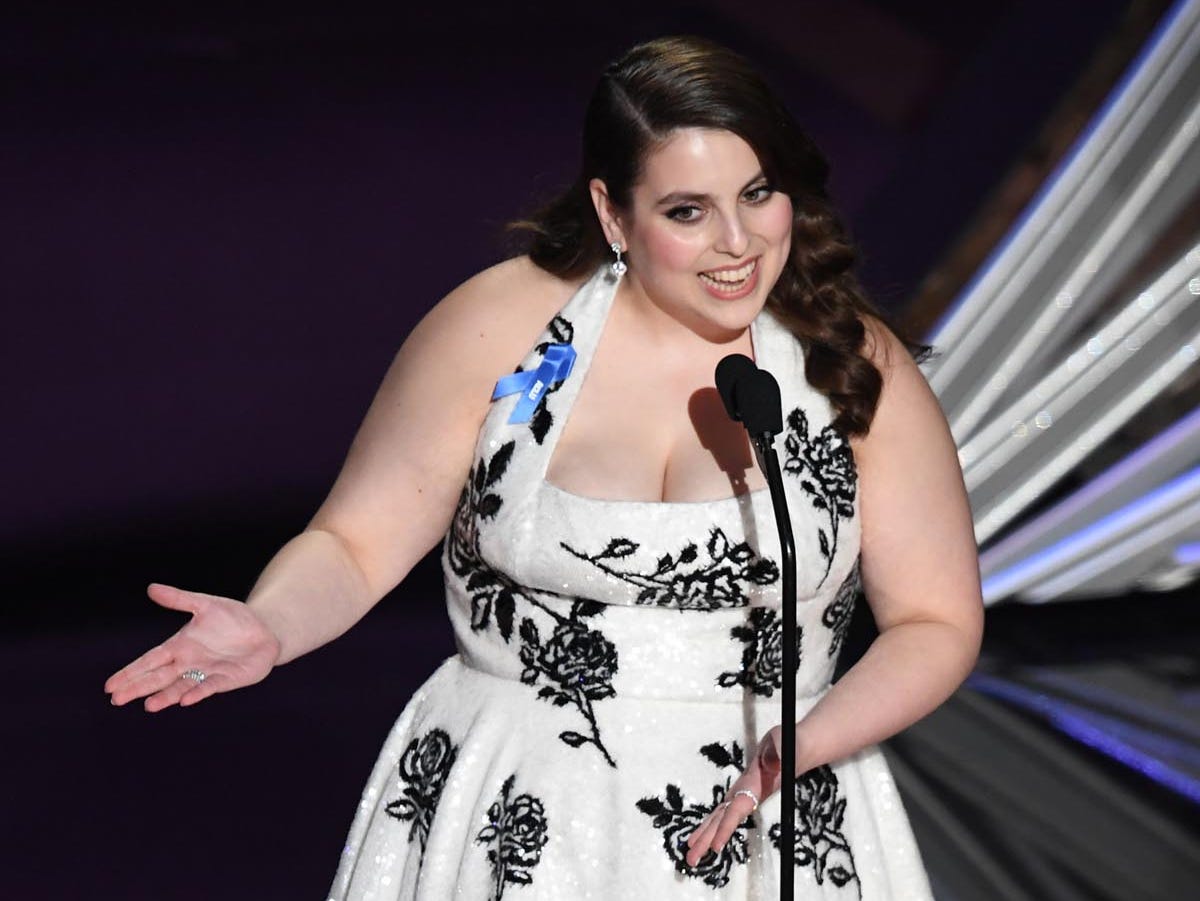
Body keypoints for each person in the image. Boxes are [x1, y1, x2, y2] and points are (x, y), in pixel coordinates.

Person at [105, 36, 982, 899]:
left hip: (772, 815)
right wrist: (272, 624)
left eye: (758, 194)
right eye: (687, 210)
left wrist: (804, 744)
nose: (737, 242)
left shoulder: (848, 364)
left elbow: (935, 620)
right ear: (613, 214)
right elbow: (356, 541)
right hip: (516, 811)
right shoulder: (500, 329)